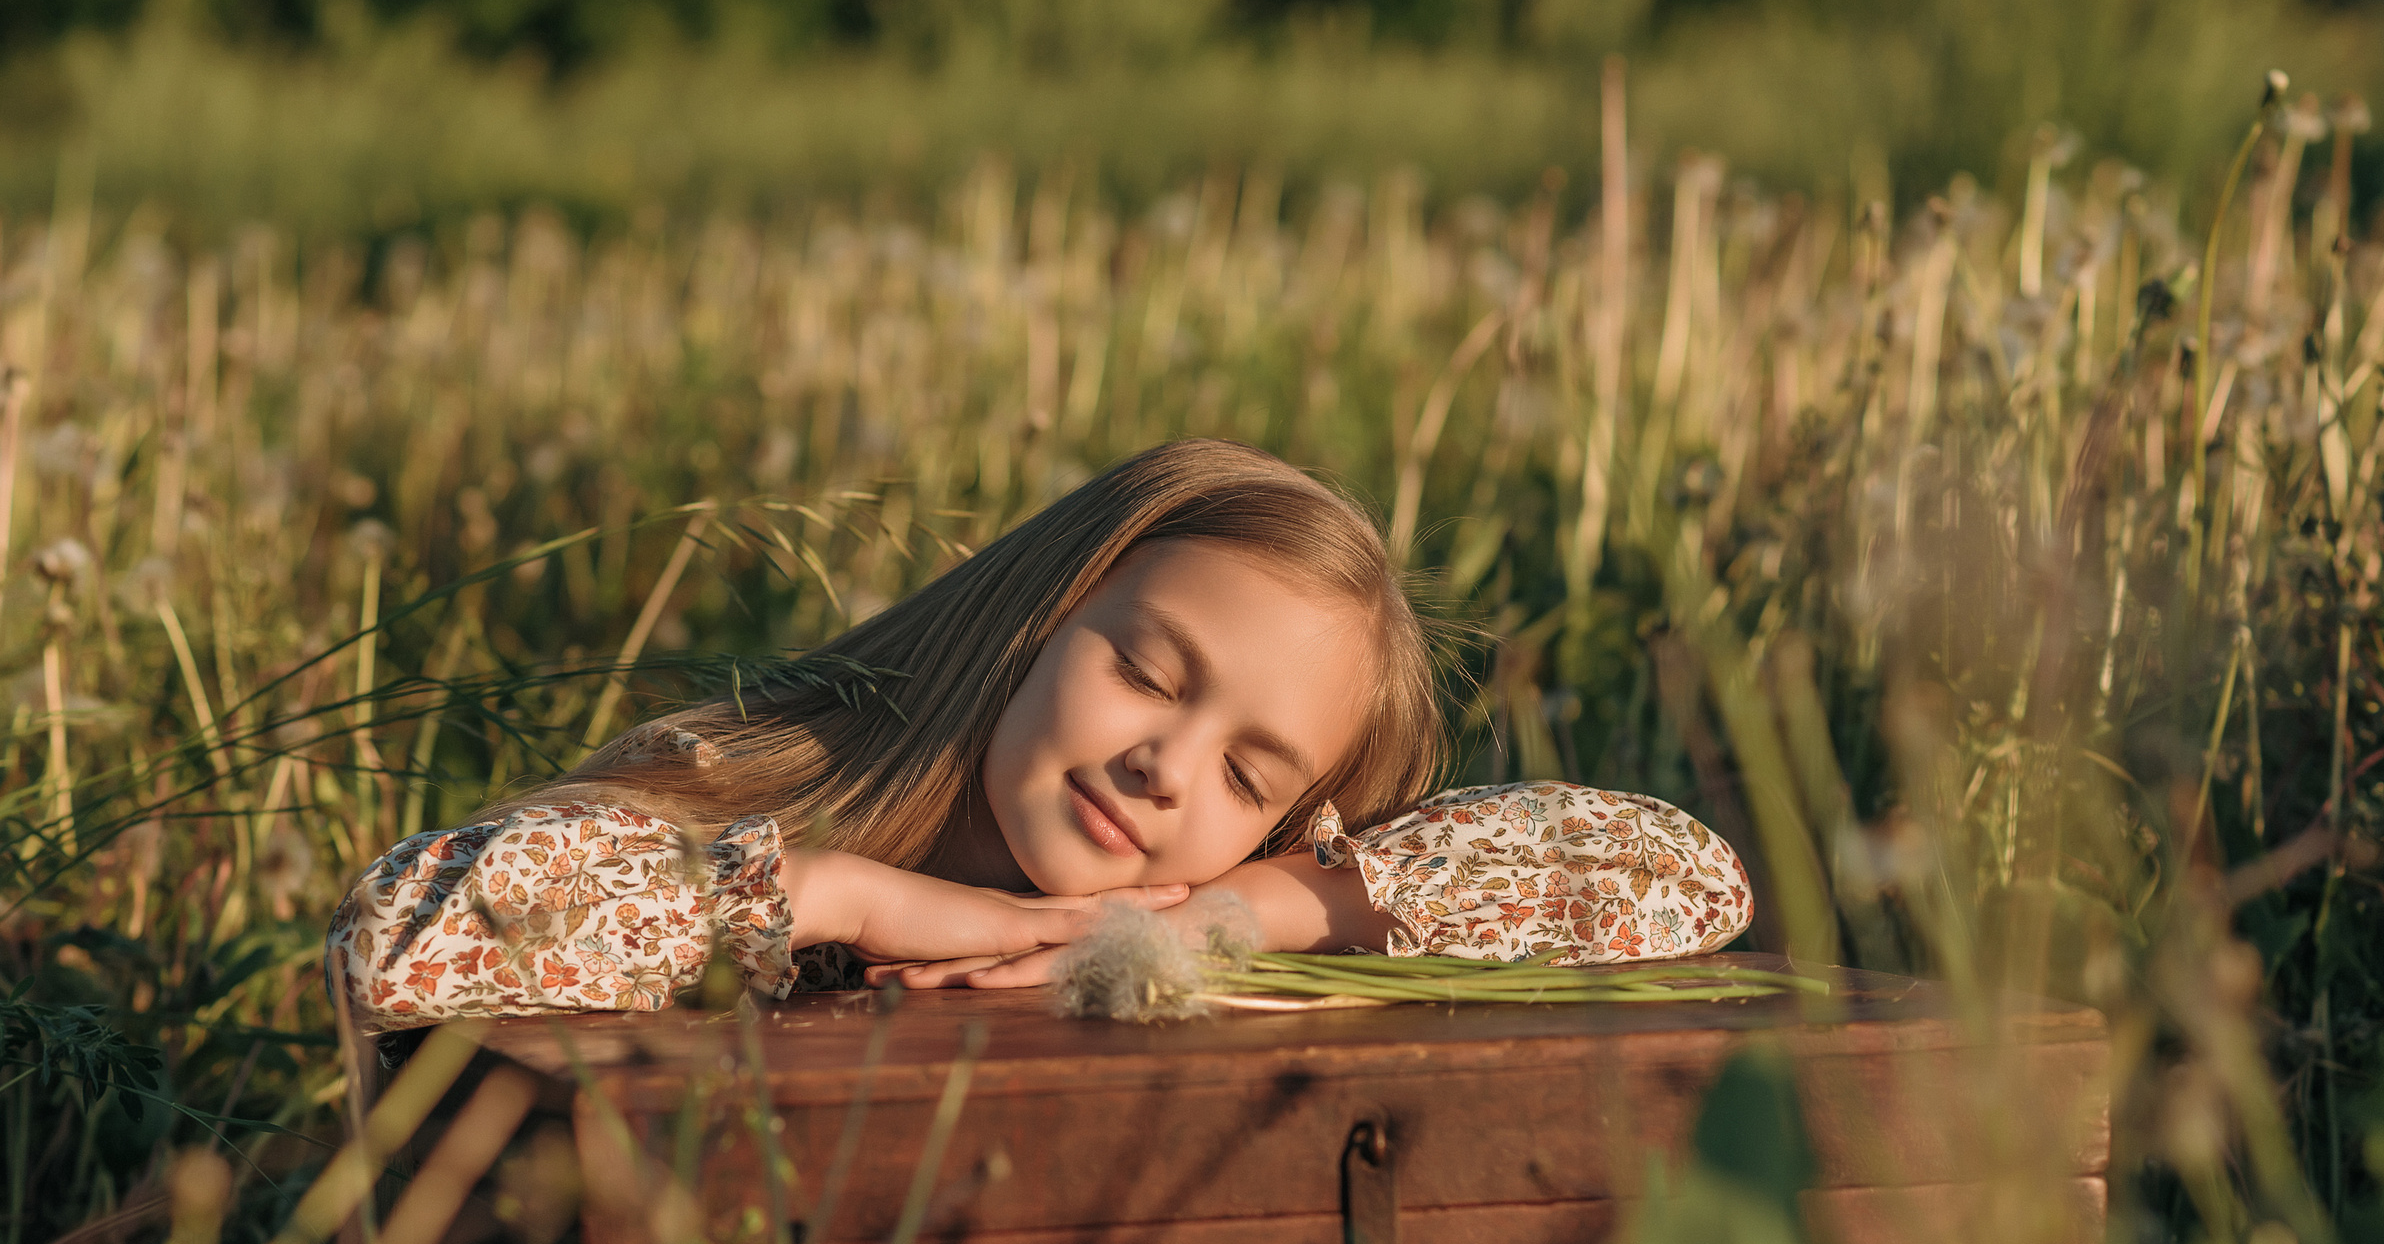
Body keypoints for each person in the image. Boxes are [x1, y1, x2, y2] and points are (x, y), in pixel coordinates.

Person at [327, 440, 1753, 1031]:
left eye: (1252, 772)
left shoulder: (1242, 884)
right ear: (1033, 616)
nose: (1168, 765)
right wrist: (855, 894)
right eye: (1144, 670)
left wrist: (1234, 912)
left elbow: (1685, 876)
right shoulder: (777, 780)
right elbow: (399, 940)